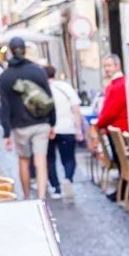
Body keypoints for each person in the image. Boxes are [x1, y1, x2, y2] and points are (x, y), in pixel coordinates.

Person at [0, 36, 56, 200]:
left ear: (10, 51)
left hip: (19, 125)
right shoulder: (37, 71)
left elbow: (5, 106)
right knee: (40, 160)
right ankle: (42, 197)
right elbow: (49, 98)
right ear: (24, 50)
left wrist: (6, 133)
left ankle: (27, 196)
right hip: (41, 122)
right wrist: (53, 123)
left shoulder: (5, 77)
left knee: (23, 160)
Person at [44, 65, 84, 200]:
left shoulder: (42, 89)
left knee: (50, 159)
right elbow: (76, 109)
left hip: (49, 129)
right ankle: (68, 178)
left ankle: (56, 188)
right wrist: (78, 129)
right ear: (54, 74)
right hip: (67, 128)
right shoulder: (65, 87)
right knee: (68, 158)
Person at [93, 54, 128, 201]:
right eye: (105, 66)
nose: (107, 69)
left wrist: (99, 124)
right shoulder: (116, 84)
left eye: (109, 65)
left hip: (119, 128)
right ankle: (123, 189)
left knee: (122, 161)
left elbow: (110, 110)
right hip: (117, 128)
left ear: (117, 66)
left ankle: (124, 190)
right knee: (121, 161)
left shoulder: (118, 85)